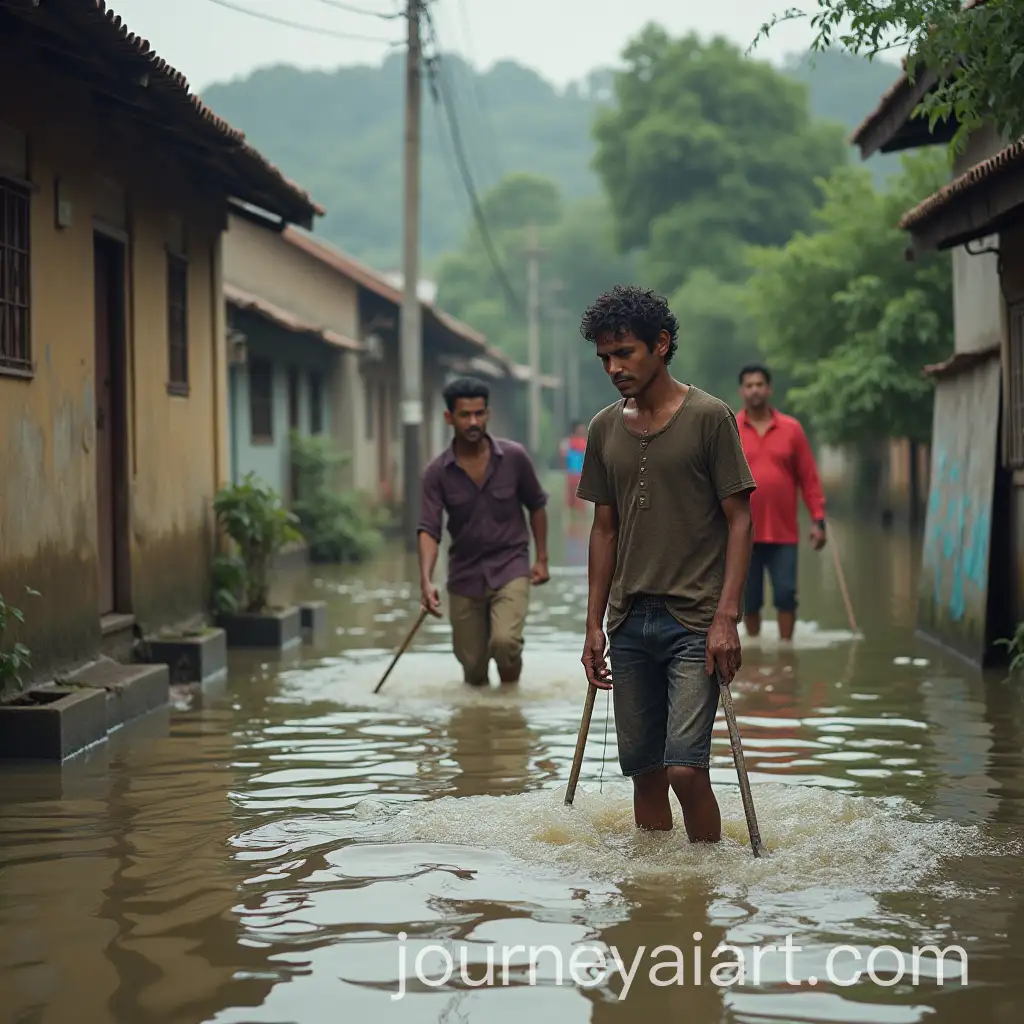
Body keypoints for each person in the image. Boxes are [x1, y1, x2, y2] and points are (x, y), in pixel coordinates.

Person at [575, 285, 756, 841]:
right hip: (629, 620)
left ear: (660, 344)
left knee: (685, 769)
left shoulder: (710, 418)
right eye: (605, 357)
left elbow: (740, 521)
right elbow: (604, 530)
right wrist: (593, 625)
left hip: (694, 621)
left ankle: (706, 876)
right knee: (646, 773)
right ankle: (655, 884)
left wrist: (726, 618)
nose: (614, 368)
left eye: (624, 353)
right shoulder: (604, 428)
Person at [417, 376, 550, 686]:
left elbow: (537, 505)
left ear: (487, 414)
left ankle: (510, 701)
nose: (474, 422)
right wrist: (425, 579)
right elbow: (429, 529)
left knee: (505, 643)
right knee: (472, 665)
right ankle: (480, 714)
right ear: (449, 417)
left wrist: (542, 559)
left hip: (510, 566)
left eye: (479, 413)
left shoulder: (514, 458)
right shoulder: (437, 473)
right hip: (465, 574)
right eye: (465, 415)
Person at [735, 363, 827, 642]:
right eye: (749, 385)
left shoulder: (791, 429)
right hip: (742, 532)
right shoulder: (730, 428)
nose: (755, 390)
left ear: (769, 389)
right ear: (741, 391)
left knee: (786, 595)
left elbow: (809, 478)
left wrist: (818, 520)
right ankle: (752, 652)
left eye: (759, 384)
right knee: (749, 598)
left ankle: (787, 651)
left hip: (784, 532)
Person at [562, 421, 588, 512]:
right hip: (571, 473)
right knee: (571, 500)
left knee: (580, 501)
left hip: (581, 474)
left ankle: (579, 517)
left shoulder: (585, 442)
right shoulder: (568, 442)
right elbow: (563, 456)